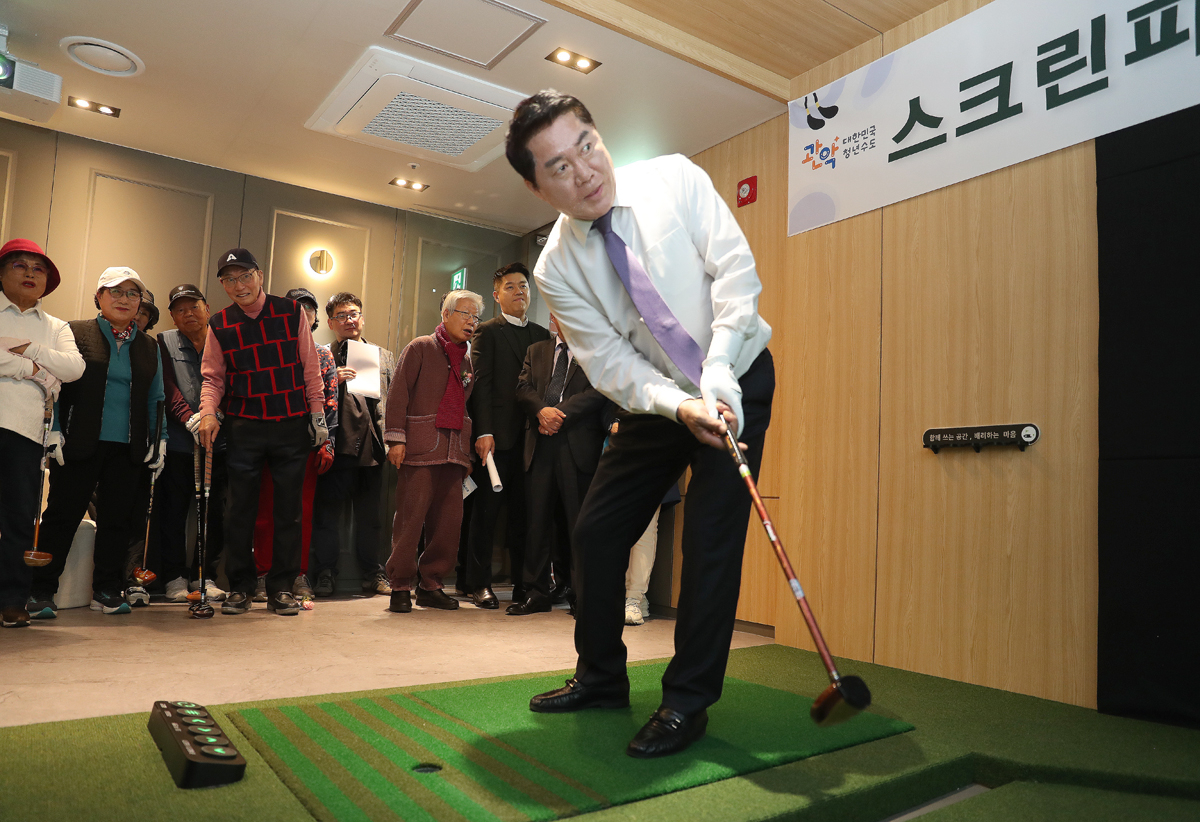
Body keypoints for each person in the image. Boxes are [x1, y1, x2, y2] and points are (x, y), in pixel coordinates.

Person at [506, 91, 775, 758]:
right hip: (657, 400)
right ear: (537, 188)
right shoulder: (556, 267)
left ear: (600, 136)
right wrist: (679, 404)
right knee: (597, 531)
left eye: (587, 147)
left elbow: (734, 275)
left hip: (736, 376)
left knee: (710, 539)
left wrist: (718, 371)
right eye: (559, 167)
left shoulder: (674, 178)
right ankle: (601, 678)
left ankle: (687, 701)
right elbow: (609, 362)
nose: (585, 172)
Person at [194, 249, 329, 617]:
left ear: (260, 275)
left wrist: (317, 415)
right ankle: (240, 587)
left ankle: (281, 588)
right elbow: (213, 378)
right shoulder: (220, 323)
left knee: (289, 512)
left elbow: (310, 367)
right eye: (229, 280)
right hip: (244, 426)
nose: (239, 285)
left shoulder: (290, 311)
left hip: (291, 424)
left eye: (245, 276)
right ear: (222, 285)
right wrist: (208, 413)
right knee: (239, 511)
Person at [30, 267, 166, 616]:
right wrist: (53, 428)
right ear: (99, 297)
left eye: (132, 293)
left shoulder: (149, 346)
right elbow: (56, 384)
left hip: (129, 448)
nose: (124, 299)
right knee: (62, 516)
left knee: (117, 521)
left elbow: (156, 397)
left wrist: (160, 439)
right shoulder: (74, 332)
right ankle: (41, 591)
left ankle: (106, 589)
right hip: (78, 443)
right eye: (115, 292)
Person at [0, 240, 85, 627]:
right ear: (3, 273)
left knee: (19, 520)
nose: (30, 273)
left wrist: (26, 348)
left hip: (27, 432)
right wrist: (33, 370)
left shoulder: (56, 326)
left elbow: (73, 369)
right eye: (20, 265)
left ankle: (12, 600)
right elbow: (52, 370)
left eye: (39, 269)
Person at [383, 290, 481, 613]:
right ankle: (400, 584)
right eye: (465, 314)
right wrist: (395, 439)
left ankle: (431, 585)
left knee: (448, 523)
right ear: (446, 314)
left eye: (475, 317)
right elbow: (398, 393)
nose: (471, 321)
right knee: (410, 519)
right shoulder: (421, 347)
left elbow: (465, 407)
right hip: (420, 448)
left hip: (454, 452)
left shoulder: (467, 359)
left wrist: (466, 455)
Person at [510, 314, 610, 615]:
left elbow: (598, 392)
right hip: (539, 443)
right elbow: (523, 388)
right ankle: (536, 593)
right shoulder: (536, 350)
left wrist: (557, 414)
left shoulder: (595, 350)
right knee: (537, 523)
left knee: (578, 523)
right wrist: (542, 411)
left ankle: (582, 596)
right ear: (553, 317)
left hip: (577, 445)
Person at [465, 263, 550, 608]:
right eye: (510, 287)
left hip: (534, 440)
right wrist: (483, 431)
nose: (519, 292)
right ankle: (478, 583)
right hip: (496, 438)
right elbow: (481, 385)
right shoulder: (487, 332)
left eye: (523, 286)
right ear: (497, 295)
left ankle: (523, 585)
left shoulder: (543, 334)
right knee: (486, 513)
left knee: (525, 516)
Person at [247, 287, 337, 602]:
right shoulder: (267, 346)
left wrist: (328, 443)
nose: (303, 312)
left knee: (301, 511)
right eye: (296, 307)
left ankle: (297, 574)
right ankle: (263, 573)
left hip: (309, 441)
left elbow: (330, 400)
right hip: (268, 439)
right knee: (265, 510)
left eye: (308, 308)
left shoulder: (323, 353)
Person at [311, 292, 393, 598]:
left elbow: (394, 399)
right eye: (342, 315)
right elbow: (308, 396)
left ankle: (373, 573)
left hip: (372, 446)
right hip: (334, 446)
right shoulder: (321, 356)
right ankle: (325, 573)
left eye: (354, 314)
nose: (349, 320)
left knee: (371, 518)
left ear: (362, 317)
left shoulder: (383, 356)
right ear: (331, 322)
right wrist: (332, 378)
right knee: (327, 516)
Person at [155, 283, 227, 602]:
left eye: (194, 307)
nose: (188, 314)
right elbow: (166, 385)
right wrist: (189, 418)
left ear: (207, 309)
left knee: (213, 513)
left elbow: (233, 382)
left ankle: (204, 575)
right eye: (180, 310)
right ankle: (173, 577)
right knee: (172, 512)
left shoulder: (224, 339)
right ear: (172, 317)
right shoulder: (164, 341)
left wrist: (216, 415)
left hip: (218, 443)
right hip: (179, 443)